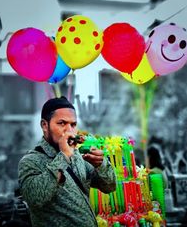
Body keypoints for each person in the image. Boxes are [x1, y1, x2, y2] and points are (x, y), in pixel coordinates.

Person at [18, 96, 116, 227]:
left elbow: (109, 187)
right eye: (62, 123)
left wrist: (101, 164)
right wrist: (63, 156)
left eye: (73, 125)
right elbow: (35, 198)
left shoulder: (78, 156)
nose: (69, 131)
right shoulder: (31, 160)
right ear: (44, 125)